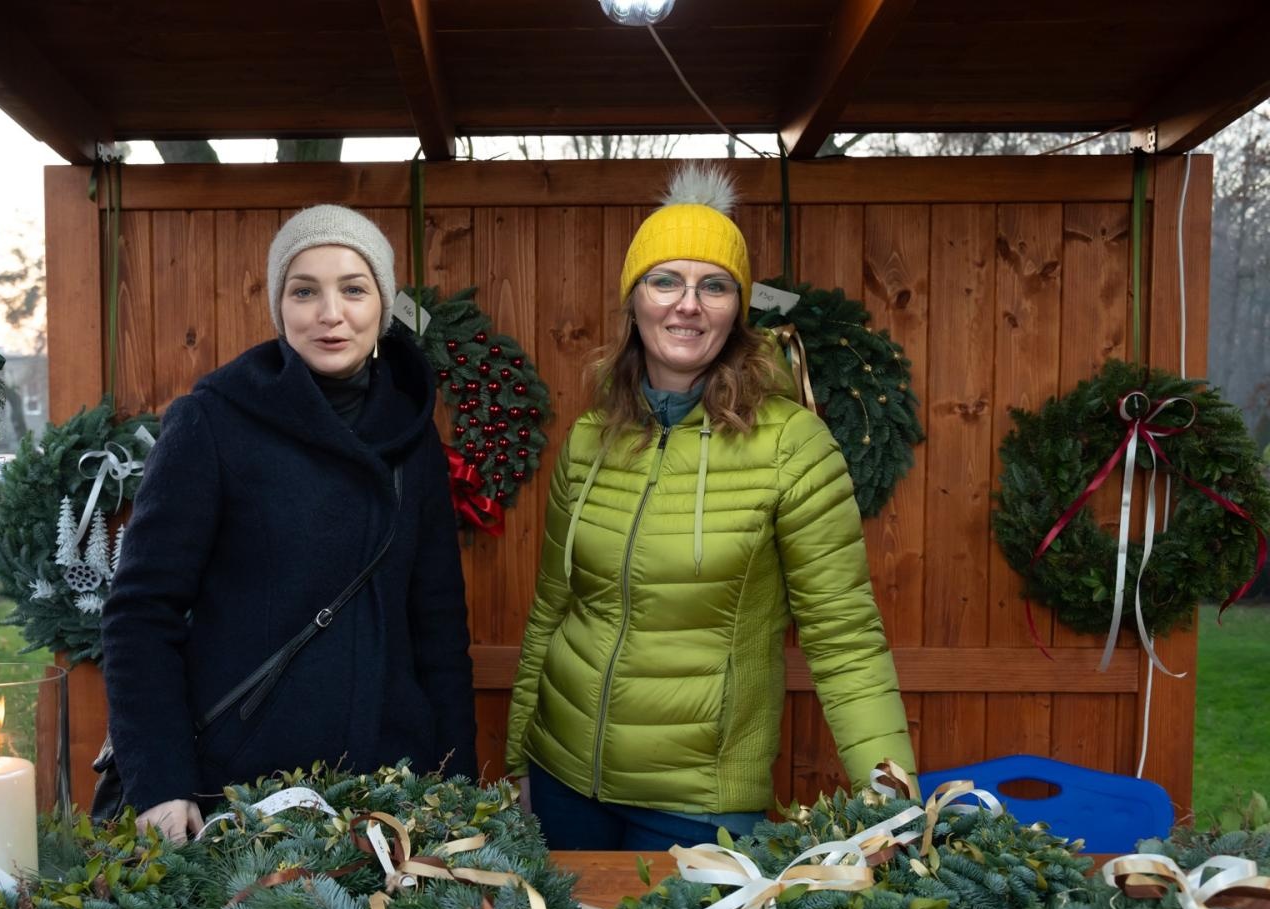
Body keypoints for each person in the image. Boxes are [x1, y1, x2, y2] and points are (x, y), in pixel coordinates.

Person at [504, 164, 915, 852]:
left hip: (695, 805)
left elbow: (845, 639)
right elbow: (552, 608)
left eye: (714, 286)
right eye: (666, 280)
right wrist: (520, 754)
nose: (688, 304)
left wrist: (893, 807)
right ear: (635, 301)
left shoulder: (791, 445)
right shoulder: (590, 439)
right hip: (563, 779)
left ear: (737, 310)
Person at [101, 205, 477, 843]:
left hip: (392, 798)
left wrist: (457, 785)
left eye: (353, 289)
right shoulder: (212, 422)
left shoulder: (413, 439)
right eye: (304, 291)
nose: (330, 313)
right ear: (280, 307)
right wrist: (160, 781)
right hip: (243, 796)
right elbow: (141, 612)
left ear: (382, 306)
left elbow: (438, 627)